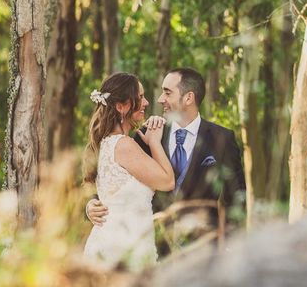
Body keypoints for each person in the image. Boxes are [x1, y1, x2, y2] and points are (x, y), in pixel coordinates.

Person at [86, 67, 246, 254]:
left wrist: (229, 247)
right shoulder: (145, 134)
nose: (160, 99)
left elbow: (236, 199)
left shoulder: (222, 139)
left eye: (167, 92)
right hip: (152, 245)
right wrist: (90, 205)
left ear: (188, 98)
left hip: (202, 252)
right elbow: (113, 178)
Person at [82, 73, 174, 271]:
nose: (147, 102)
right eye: (140, 97)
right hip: (123, 248)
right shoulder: (123, 145)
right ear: (121, 107)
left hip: (119, 243)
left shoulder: (105, 143)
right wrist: (155, 142)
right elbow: (167, 181)